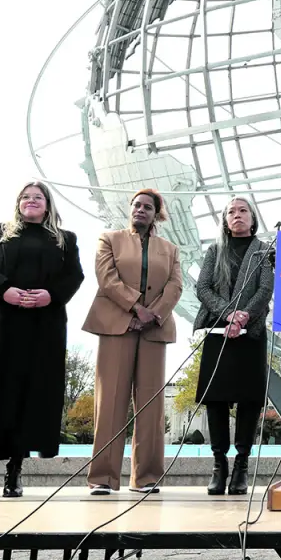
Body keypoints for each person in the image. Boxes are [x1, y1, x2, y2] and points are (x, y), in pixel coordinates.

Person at [0, 181, 84, 499]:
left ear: (48, 205)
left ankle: (14, 472)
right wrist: (3, 289)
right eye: (26, 197)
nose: (31, 201)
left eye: (38, 197)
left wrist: (52, 295)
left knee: (28, 396)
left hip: (42, 328)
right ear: (18, 203)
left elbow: (74, 276)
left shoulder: (64, 239)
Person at [83, 189, 183, 495]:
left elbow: (176, 284)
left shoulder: (170, 249)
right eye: (136, 205)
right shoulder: (109, 239)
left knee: (151, 406)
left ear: (156, 214)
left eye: (148, 207)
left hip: (154, 328)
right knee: (110, 401)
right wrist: (135, 306)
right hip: (117, 326)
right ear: (130, 210)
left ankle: (147, 477)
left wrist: (154, 313)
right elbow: (106, 277)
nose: (141, 209)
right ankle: (103, 477)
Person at [192, 197, 274, 495]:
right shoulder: (215, 250)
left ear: (253, 218)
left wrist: (244, 317)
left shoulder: (264, 251)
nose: (237, 215)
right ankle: (219, 465)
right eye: (231, 212)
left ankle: (241, 466)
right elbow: (202, 288)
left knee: (249, 400)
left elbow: (266, 289)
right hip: (218, 333)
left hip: (250, 334)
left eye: (243, 211)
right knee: (216, 399)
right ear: (225, 220)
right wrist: (228, 314)